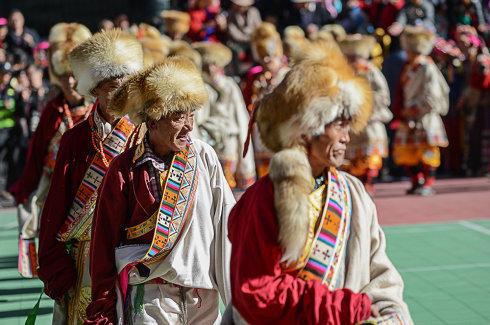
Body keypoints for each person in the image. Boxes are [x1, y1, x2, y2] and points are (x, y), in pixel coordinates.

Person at [228, 44, 413, 325]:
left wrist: (389, 311)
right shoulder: (264, 198)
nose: (347, 137)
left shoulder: (353, 192)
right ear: (305, 130)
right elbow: (257, 292)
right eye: (338, 125)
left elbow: (378, 270)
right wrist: (342, 307)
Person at [85, 56, 234, 324]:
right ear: (152, 120)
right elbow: (104, 241)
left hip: (203, 296)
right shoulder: (125, 168)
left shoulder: (204, 157)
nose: (189, 125)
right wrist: (103, 304)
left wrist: (236, 299)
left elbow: (227, 226)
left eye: (191, 114)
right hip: (152, 295)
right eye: (179, 117)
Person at [37, 29, 145, 324]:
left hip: (130, 254)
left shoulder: (146, 134)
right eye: (112, 86)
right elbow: (56, 203)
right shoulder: (76, 139)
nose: (120, 92)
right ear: (95, 89)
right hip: (84, 258)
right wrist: (54, 263)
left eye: (125, 84)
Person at [9, 23, 92, 279]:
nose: (69, 81)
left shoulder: (98, 110)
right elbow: (36, 152)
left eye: (73, 75)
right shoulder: (51, 110)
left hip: (91, 187)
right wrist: (26, 187)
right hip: (54, 185)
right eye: (63, 75)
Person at [393, 26, 449, 196]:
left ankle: (427, 182)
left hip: (425, 117)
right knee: (408, 153)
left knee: (427, 153)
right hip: (408, 116)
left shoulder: (427, 67)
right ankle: (416, 181)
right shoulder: (408, 67)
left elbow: (433, 94)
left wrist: (416, 108)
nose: (406, 52)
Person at [193, 41, 256, 189]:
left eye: (215, 64)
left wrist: (245, 163)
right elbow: (196, 119)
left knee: (227, 190)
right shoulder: (199, 86)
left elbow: (241, 120)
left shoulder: (229, 85)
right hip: (205, 144)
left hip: (228, 147)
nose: (211, 68)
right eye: (207, 64)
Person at [340, 34, 393, 195]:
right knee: (350, 161)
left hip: (369, 122)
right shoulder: (343, 72)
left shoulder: (370, 70)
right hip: (350, 124)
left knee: (369, 159)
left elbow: (382, 95)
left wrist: (363, 104)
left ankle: (367, 184)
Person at [243, 22, 289, 177]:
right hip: (262, 134)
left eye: (272, 57)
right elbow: (248, 104)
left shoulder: (288, 75)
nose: (268, 61)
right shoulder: (256, 77)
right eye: (264, 58)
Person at [226, 0, 262, 75]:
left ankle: (258, 67)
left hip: (253, 40)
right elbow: (233, 33)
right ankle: (237, 74)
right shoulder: (231, 14)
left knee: (258, 46)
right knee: (233, 49)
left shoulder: (254, 12)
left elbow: (259, 28)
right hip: (238, 42)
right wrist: (248, 37)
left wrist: (253, 37)